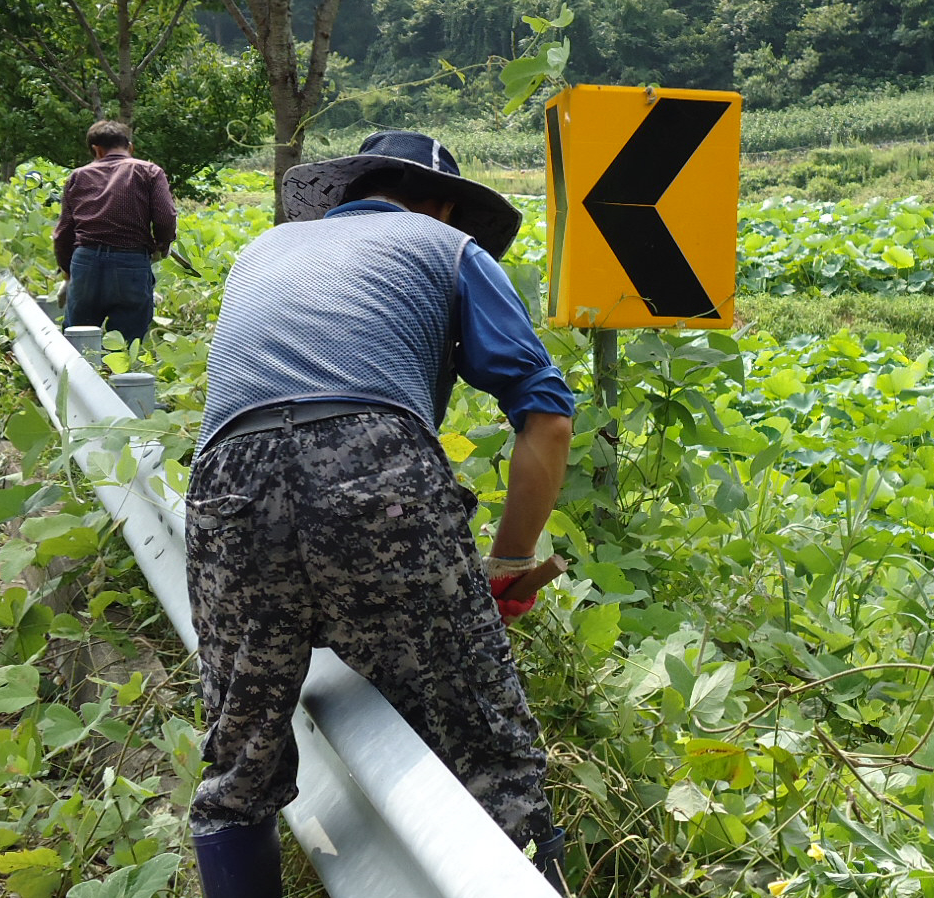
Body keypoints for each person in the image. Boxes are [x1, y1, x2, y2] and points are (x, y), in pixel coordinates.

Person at [185, 130, 576, 897]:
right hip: (373, 466)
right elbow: (547, 417)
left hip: (226, 482)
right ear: (442, 204)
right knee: (487, 747)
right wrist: (505, 563)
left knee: (240, 766)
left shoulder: (263, 252)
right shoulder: (445, 246)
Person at [52, 119, 176, 344]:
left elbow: (63, 233)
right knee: (126, 344)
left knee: (80, 341)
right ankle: (119, 378)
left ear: (96, 150)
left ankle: (78, 378)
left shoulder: (78, 176)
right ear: (130, 147)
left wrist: (67, 273)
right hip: (131, 262)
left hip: (86, 262)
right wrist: (162, 245)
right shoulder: (149, 172)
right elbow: (165, 217)